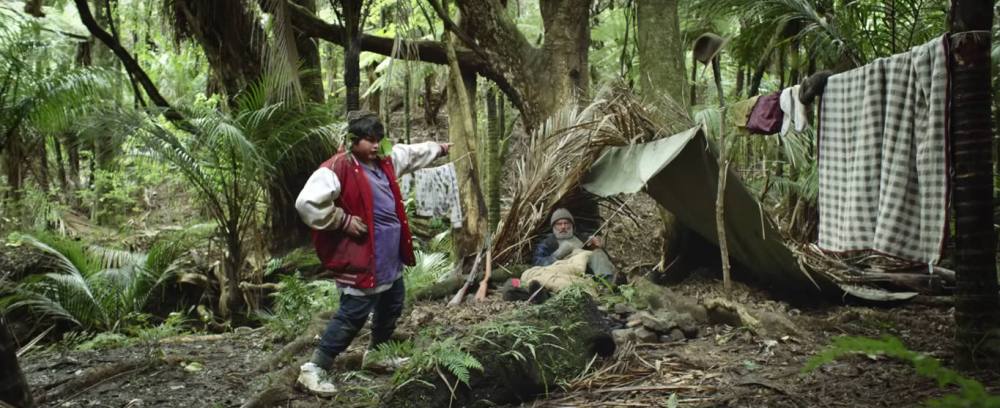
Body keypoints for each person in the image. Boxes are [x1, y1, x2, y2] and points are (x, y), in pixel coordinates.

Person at [293, 110, 450, 395]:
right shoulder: (338, 166)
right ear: (353, 141)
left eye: (378, 139)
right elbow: (307, 203)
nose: (375, 145)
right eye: (368, 140)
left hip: (388, 257)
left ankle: (376, 355)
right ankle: (314, 368)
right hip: (362, 258)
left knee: (392, 302)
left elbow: (409, 154)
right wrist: (341, 219)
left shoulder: (384, 163)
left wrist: (437, 149)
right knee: (352, 313)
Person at [532, 208, 618, 282]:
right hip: (564, 273)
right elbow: (537, 263)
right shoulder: (548, 243)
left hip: (587, 273)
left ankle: (607, 284)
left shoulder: (582, 238)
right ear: (553, 227)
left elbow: (596, 255)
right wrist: (557, 255)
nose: (563, 227)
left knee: (598, 253)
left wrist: (594, 246)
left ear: (572, 225)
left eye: (566, 223)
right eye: (559, 224)